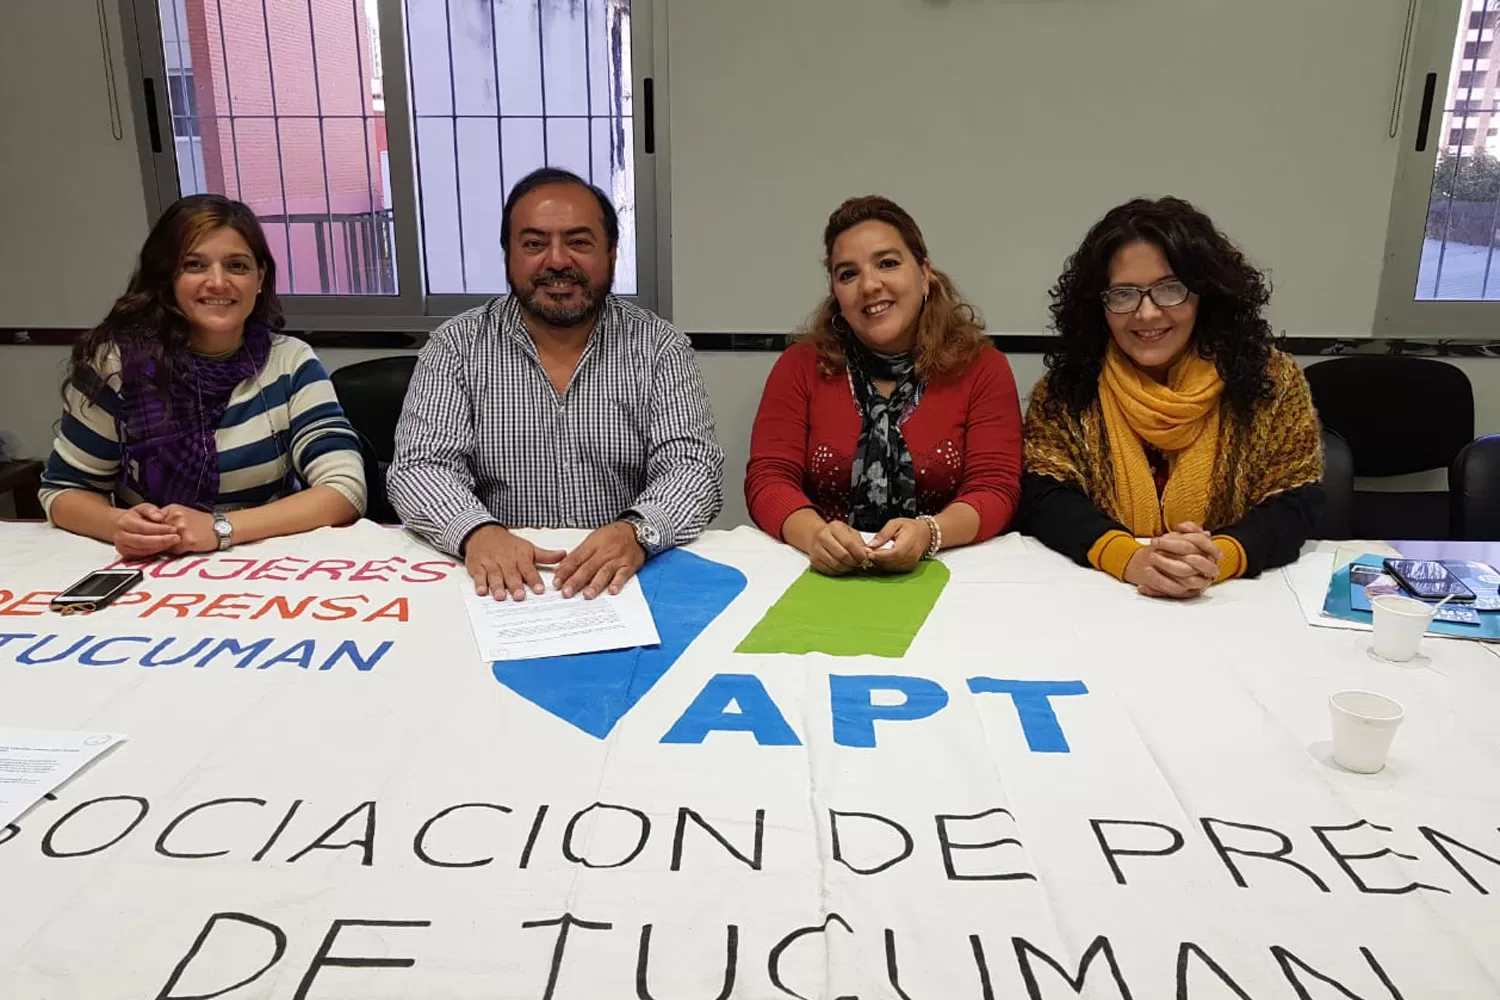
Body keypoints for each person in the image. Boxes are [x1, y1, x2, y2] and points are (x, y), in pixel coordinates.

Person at [387, 167, 723, 601]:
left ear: (613, 253)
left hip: (624, 581)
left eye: (580, 242)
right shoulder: (457, 346)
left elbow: (693, 466)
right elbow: (420, 467)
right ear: (508, 253)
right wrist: (477, 532)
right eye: (534, 244)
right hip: (499, 583)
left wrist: (637, 532)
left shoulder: (660, 347)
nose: (558, 261)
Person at [1018, 196, 1323, 598]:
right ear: (1099, 306)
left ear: (1204, 294)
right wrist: (1129, 559)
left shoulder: (1271, 381)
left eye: (1169, 289)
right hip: (1102, 597)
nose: (1146, 314)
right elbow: (1046, 497)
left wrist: (1217, 558)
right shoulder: (1066, 389)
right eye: (1123, 294)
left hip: (1234, 604)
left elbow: (1295, 501)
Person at [42, 194, 366, 558]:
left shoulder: (290, 362)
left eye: (237, 266)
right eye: (194, 265)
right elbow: (64, 490)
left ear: (259, 278)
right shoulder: (117, 364)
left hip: (265, 562)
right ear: (167, 277)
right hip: (154, 566)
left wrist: (220, 529)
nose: (217, 282)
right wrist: (119, 525)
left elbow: (345, 489)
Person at [745, 196, 1023, 575]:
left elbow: (996, 488)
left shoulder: (982, 367)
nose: (870, 285)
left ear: (924, 274)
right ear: (836, 294)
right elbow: (769, 479)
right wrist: (815, 537)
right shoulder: (800, 366)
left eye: (887, 264)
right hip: (823, 574)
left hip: (950, 575)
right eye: (848, 274)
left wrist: (930, 532)